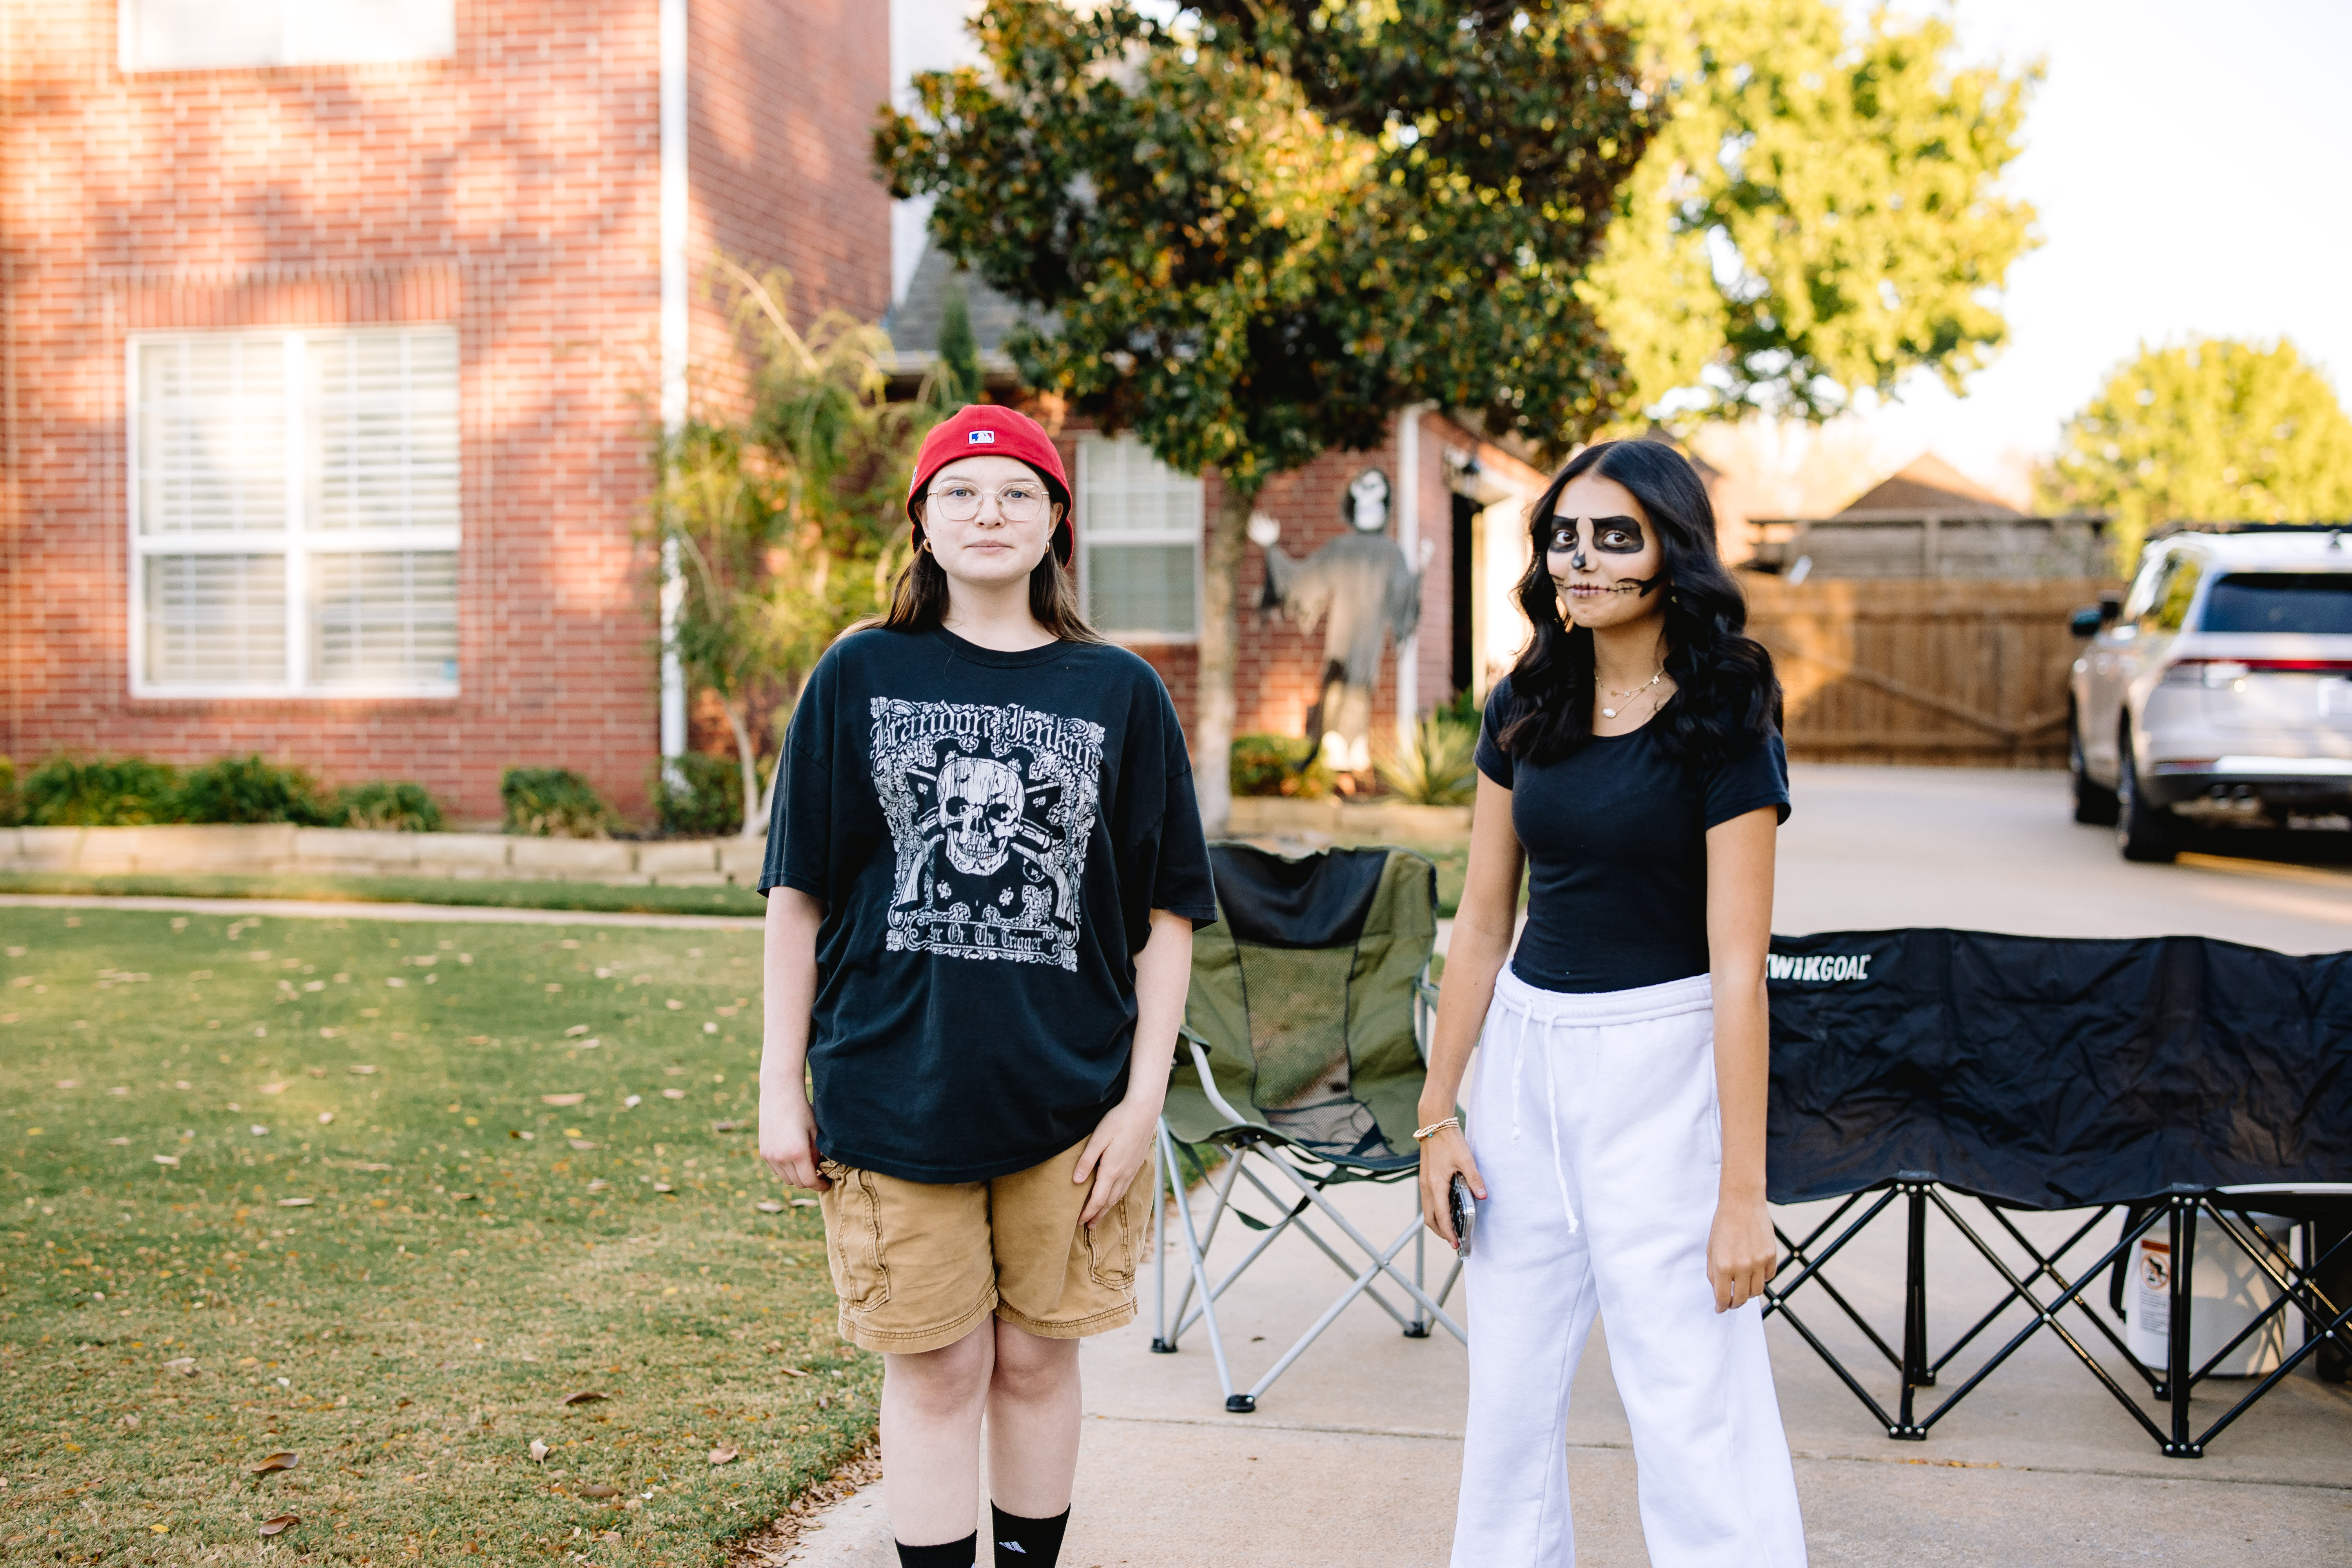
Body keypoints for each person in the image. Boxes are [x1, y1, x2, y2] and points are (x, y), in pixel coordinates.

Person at [756, 403, 1216, 1568]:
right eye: (960, 494)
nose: (989, 512)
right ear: (922, 523)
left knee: (1034, 1358)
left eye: (1018, 492)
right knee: (940, 1361)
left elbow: (1168, 917)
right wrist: (777, 1084)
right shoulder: (860, 671)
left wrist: (1143, 1101)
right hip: (891, 1086)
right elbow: (797, 895)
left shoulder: (1120, 692)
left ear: (1059, 521)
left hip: (1068, 1101)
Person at [1415, 439, 1808, 1566]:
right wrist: (1442, 1114)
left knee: (1690, 1396)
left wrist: (1745, 1194)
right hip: (1529, 1070)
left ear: (1671, 553)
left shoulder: (1730, 708)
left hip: (1665, 1064)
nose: (1579, 559)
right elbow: (1485, 921)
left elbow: (1741, 966)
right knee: (1510, 1398)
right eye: (1563, 535)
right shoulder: (1526, 701)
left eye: (1614, 536)